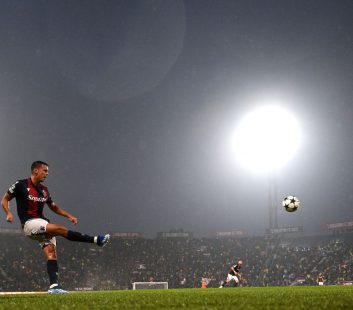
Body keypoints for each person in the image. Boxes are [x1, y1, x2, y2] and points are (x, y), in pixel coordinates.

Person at [1, 161, 111, 294]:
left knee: (51, 253)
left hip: (42, 224)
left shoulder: (44, 190)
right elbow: (5, 199)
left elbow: (53, 206)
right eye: (45, 170)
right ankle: (96, 240)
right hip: (29, 224)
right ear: (35, 170)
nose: (47, 174)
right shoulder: (21, 185)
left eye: (47, 171)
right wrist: (8, 213)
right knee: (60, 229)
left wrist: (69, 216)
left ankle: (54, 286)